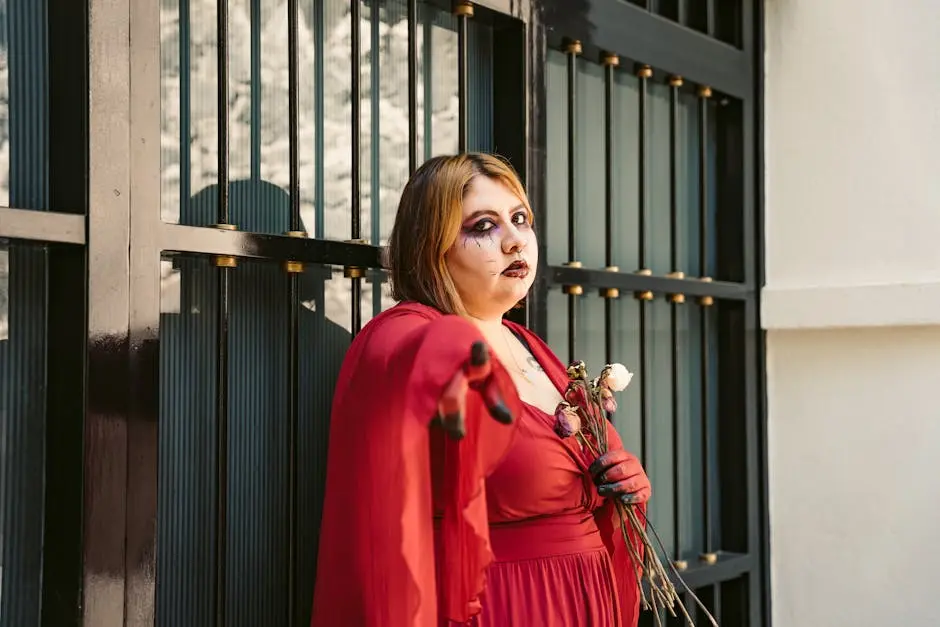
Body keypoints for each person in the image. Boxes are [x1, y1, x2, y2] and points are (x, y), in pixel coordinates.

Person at [311, 153, 651, 627]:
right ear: (433, 247)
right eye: (484, 226)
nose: (515, 242)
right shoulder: (401, 338)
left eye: (520, 219)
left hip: (584, 599)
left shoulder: (531, 346)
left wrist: (620, 482)